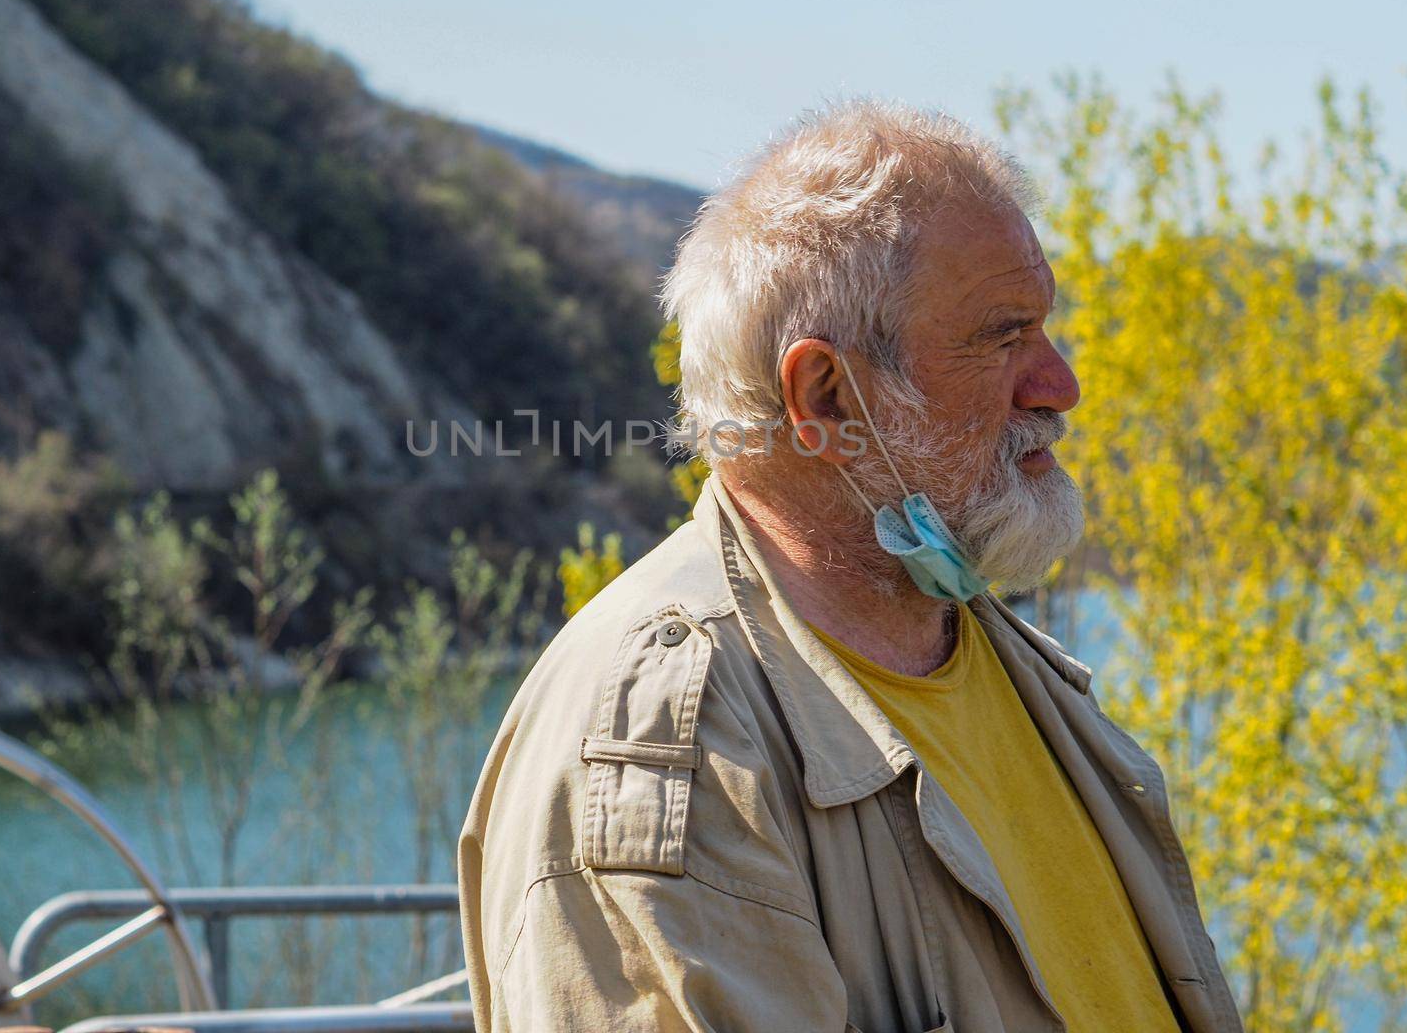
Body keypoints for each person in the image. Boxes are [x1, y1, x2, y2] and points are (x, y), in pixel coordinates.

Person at [458, 101, 1243, 1032]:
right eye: (1002, 337)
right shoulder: (671, 738)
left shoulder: (990, 650)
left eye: (1043, 330)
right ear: (825, 394)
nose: (1060, 385)